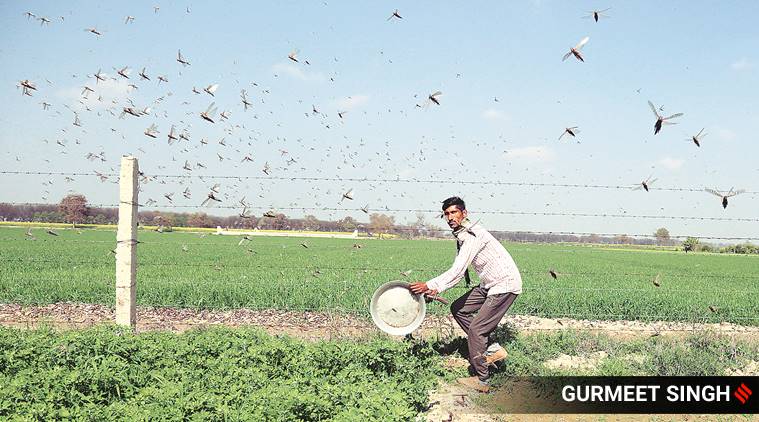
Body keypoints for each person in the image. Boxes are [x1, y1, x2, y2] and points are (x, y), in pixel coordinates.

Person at [410, 196, 522, 393]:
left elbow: (458, 271)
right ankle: (492, 350)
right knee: (458, 308)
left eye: (454, 212)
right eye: (446, 214)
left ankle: (482, 381)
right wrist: (435, 288)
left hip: (504, 285)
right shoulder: (463, 235)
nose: (450, 217)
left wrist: (428, 284)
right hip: (489, 284)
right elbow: (458, 271)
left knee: (477, 330)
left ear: (464, 213)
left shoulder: (472, 235)